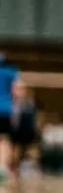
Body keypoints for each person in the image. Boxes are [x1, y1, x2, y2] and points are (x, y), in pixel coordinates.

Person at [0, 55, 19, 184]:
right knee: (4, 140)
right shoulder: (11, 72)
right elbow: (16, 91)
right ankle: (2, 168)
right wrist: (16, 112)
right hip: (5, 110)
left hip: (5, 110)